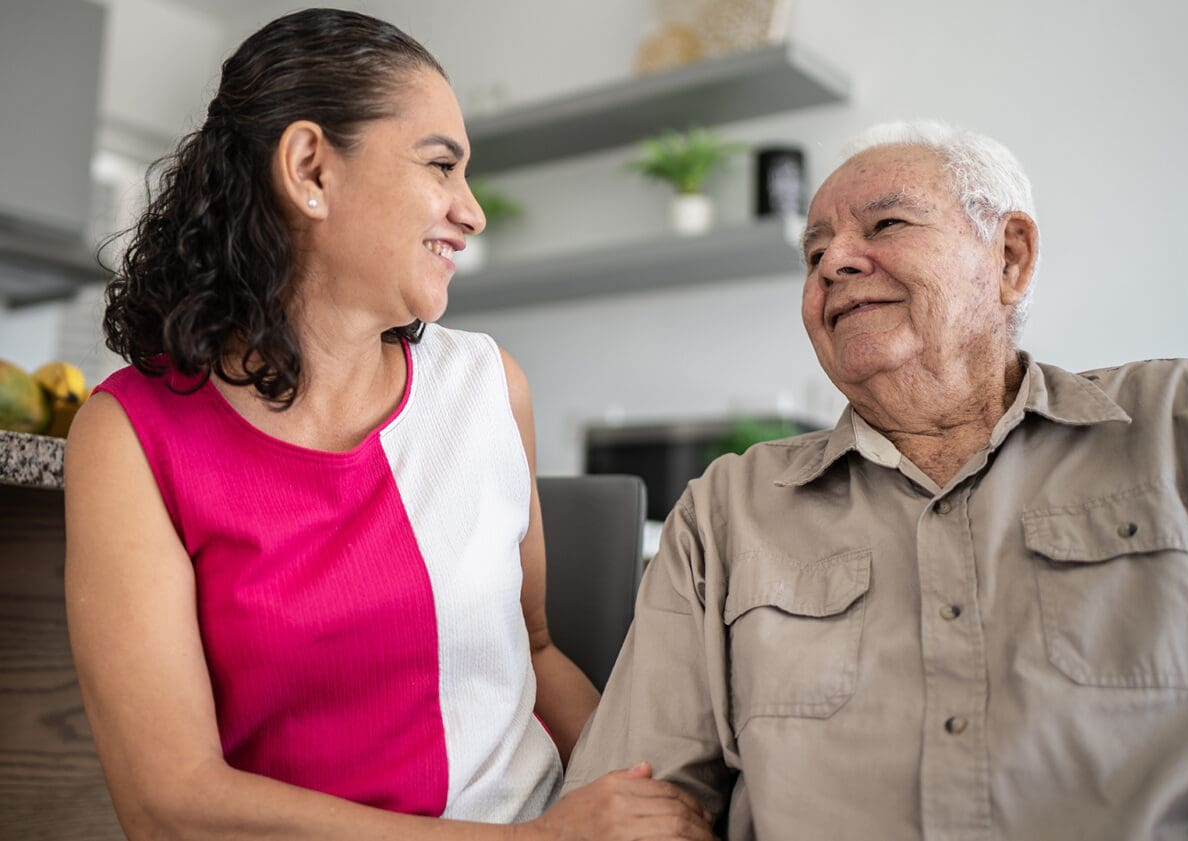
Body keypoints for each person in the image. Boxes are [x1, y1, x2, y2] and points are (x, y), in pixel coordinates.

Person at [64, 9, 713, 841]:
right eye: (441, 164)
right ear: (310, 168)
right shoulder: (130, 436)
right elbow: (170, 803)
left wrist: (640, 793)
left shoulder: (488, 387)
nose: (472, 212)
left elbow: (539, 651)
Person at [563, 120, 1188, 840]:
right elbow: (624, 805)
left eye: (886, 222)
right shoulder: (727, 508)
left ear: (1010, 258)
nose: (833, 260)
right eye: (813, 252)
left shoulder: (1175, 425)